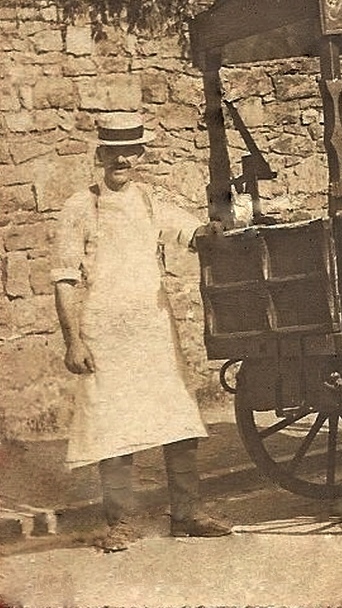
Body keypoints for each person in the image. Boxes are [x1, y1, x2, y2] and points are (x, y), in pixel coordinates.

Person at [52, 112, 233, 552]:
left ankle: (186, 514)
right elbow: (63, 279)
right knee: (114, 425)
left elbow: (191, 232)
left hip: (152, 330)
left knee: (177, 418)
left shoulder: (150, 201)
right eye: (113, 151)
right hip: (104, 332)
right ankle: (119, 523)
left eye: (130, 151)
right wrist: (73, 340)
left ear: (139, 155)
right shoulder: (79, 207)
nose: (121, 159)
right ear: (100, 155)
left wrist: (215, 227)